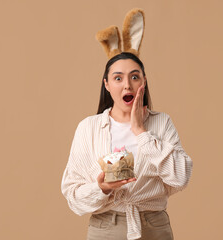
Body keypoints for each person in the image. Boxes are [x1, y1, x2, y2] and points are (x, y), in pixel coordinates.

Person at [61, 52, 193, 240]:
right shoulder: (88, 128)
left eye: (134, 77)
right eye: (118, 78)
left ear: (144, 82)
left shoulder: (161, 123)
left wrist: (141, 131)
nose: (127, 85)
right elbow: (73, 197)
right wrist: (102, 188)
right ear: (106, 84)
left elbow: (181, 177)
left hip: (153, 228)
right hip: (105, 228)